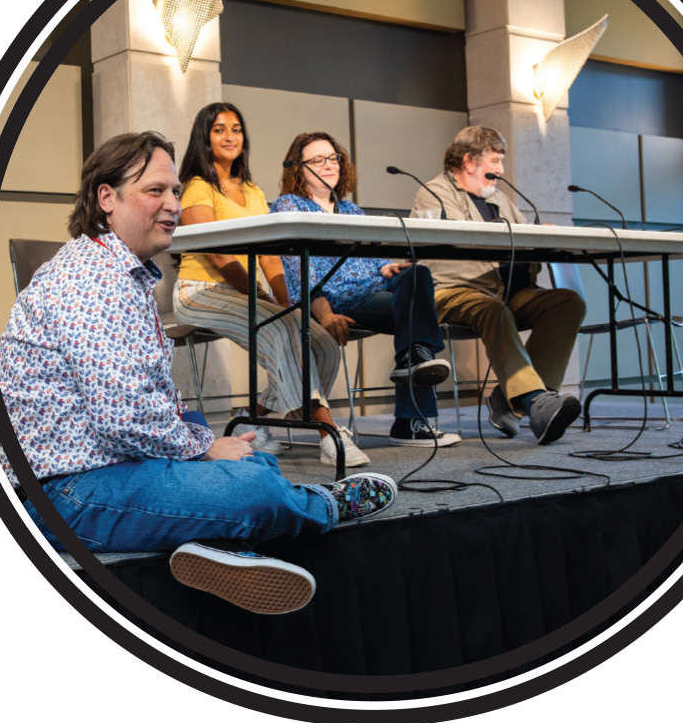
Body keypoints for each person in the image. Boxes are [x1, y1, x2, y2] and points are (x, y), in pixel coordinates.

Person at [0, 130, 397, 615]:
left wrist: (202, 443)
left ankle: (215, 539)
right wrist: (204, 450)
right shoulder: (91, 282)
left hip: (99, 458)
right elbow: (125, 419)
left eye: (175, 191)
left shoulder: (115, 269)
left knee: (217, 438)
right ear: (107, 199)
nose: (172, 204)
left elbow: (146, 402)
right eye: (155, 191)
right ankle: (320, 506)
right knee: (252, 484)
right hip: (60, 491)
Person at [172, 103, 370, 467]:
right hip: (199, 291)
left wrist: (287, 304)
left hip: (243, 292)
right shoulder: (197, 187)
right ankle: (328, 434)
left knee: (321, 340)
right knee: (282, 332)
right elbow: (218, 257)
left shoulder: (251, 189)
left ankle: (254, 421)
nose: (230, 136)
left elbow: (271, 258)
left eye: (236, 128)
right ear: (204, 137)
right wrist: (262, 298)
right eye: (219, 129)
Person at [270, 132, 460, 448]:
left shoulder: (351, 209)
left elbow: (375, 261)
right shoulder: (289, 205)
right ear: (299, 169)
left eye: (333, 158)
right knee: (416, 322)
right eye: (318, 160)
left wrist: (388, 267)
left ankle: (413, 361)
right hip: (335, 300)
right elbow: (298, 271)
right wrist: (325, 313)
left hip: (372, 291)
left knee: (417, 276)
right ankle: (410, 421)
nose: (329, 165)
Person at [411, 125, 587, 445]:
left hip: (507, 293)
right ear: (469, 161)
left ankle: (516, 399)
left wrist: (541, 236)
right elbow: (461, 243)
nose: (501, 170)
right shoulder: (434, 192)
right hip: (455, 290)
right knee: (493, 309)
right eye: (494, 160)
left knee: (568, 302)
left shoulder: (501, 199)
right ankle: (534, 401)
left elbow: (524, 239)